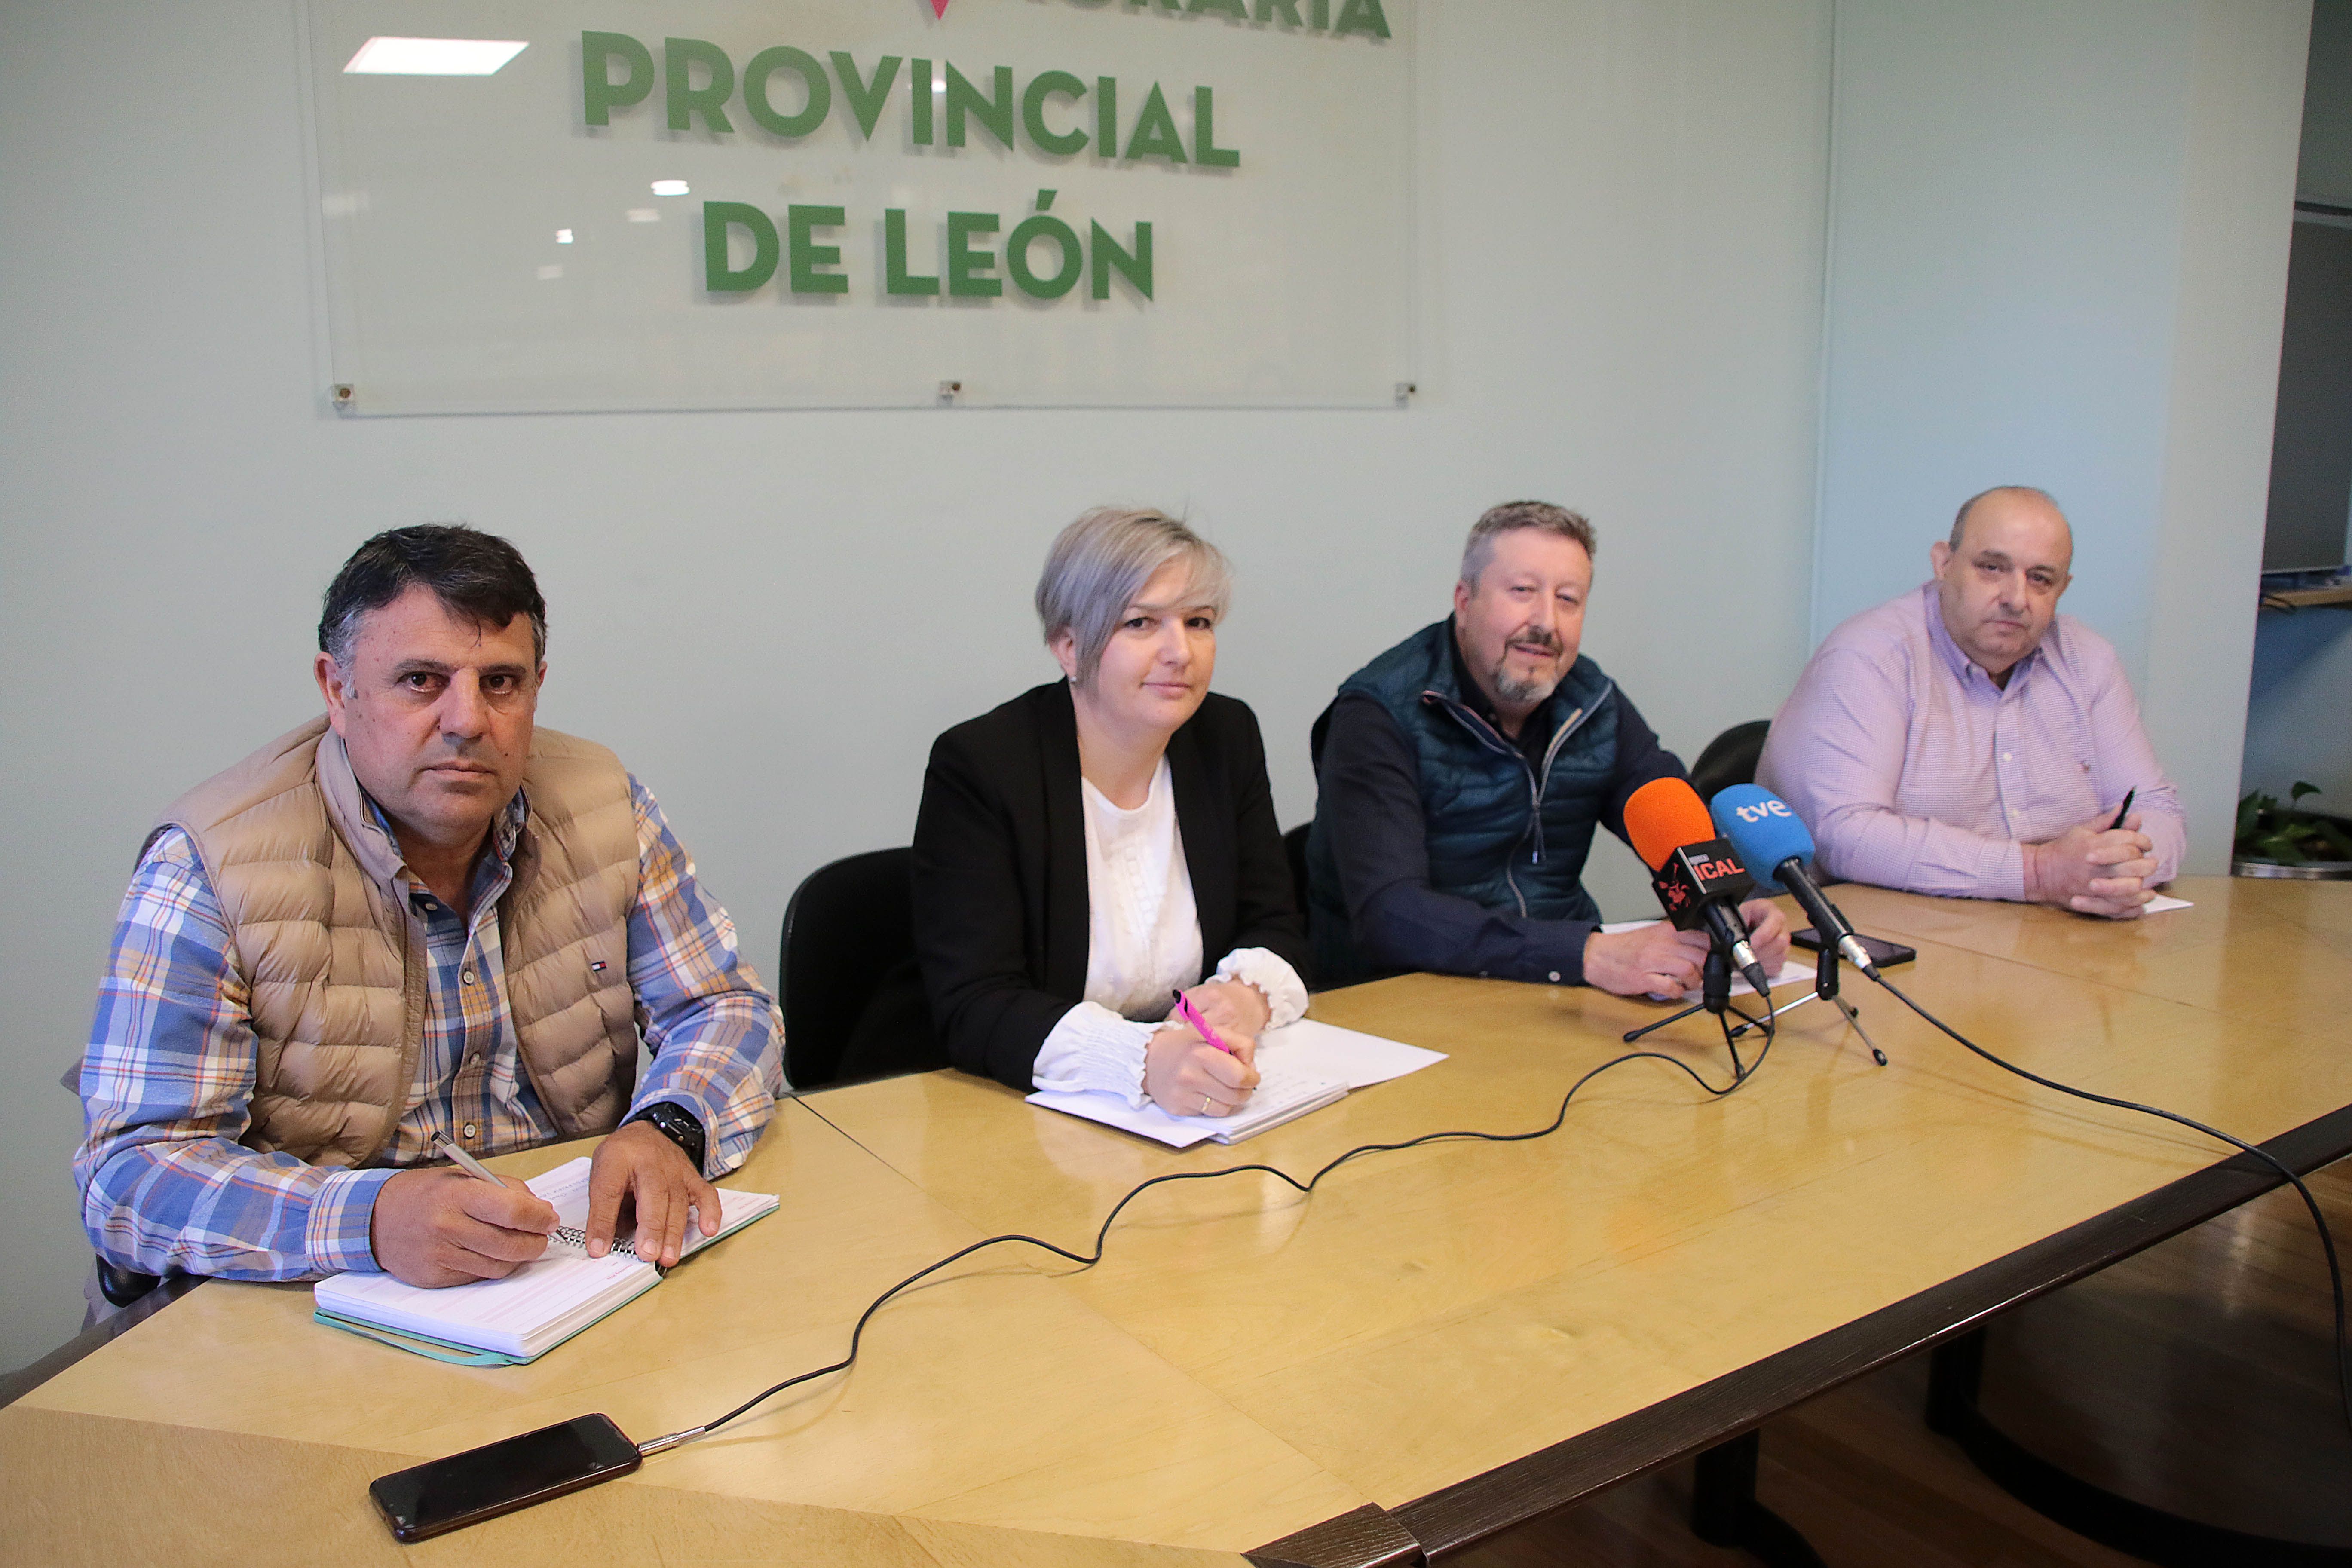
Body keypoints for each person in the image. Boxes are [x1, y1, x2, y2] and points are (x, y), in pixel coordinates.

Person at [75, 526, 781, 1307]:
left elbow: (723, 1007)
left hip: (553, 1280)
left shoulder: (605, 803)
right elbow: (132, 1176)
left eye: (501, 683)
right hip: (306, 1304)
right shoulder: (208, 863)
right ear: (337, 689)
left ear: (537, 684)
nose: (467, 720)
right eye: (420, 680)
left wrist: (670, 1125)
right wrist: (370, 1217)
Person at [907, 508, 1309, 1119]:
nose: (1180, 651)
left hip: (1195, 1113)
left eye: (1198, 622)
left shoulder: (1225, 736)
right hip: (1016, 1113)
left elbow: (1276, 920)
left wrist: (1245, 998)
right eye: (1141, 623)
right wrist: (1146, 1059)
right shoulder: (984, 765)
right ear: (1069, 646)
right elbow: (976, 1003)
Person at [1306, 501, 1789, 996]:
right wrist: (1584, 953)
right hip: (1405, 996)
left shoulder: (1593, 699)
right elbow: (1392, 915)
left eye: (1568, 600)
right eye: (1522, 592)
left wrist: (1726, 910)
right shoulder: (1379, 713)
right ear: (1464, 600)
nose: (1546, 623)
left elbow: (1669, 820)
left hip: (1561, 990)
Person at [1757, 486, 2184, 917]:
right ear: (1944, 564)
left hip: (2049, 934)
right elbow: (1843, 835)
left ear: (2063, 588)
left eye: (2041, 579)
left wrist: (2114, 867)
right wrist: (2038, 872)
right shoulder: (1869, 656)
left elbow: (2156, 807)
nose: (2016, 599)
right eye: (1993, 568)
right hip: (1877, 938)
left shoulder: (2088, 660)